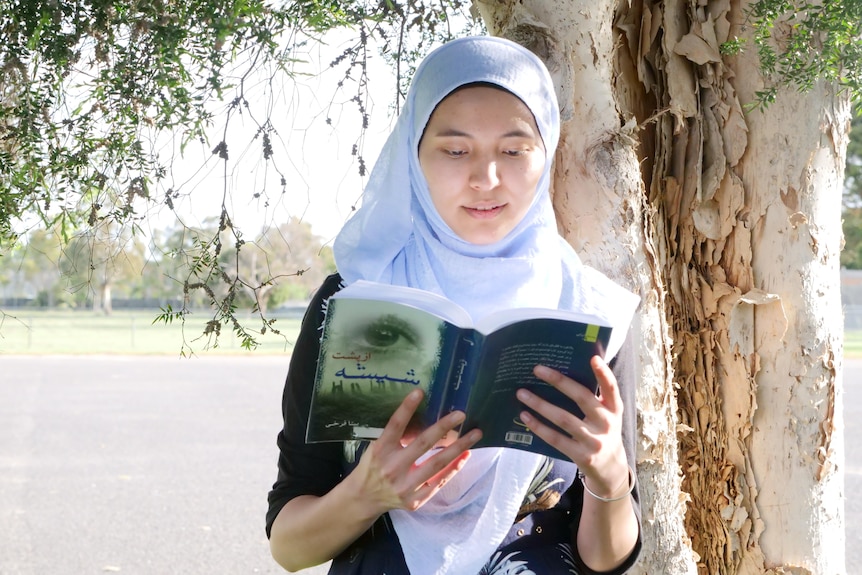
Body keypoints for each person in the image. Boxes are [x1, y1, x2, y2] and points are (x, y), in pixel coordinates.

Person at [266, 35, 642, 575]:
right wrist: (366, 494)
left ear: (547, 153)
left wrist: (609, 476)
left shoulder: (588, 314)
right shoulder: (351, 300)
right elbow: (289, 547)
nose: (486, 178)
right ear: (413, 156)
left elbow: (605, 562)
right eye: (455, 149)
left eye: (514, 150)